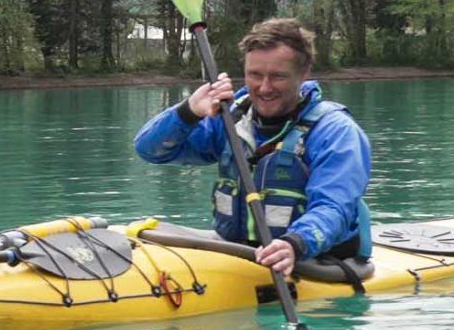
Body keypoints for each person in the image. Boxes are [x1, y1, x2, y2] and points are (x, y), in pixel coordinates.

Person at [132, 18, 371, 275]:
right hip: (237, 252)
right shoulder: (229, 117)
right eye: (255, 75)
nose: (264, 88)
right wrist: (188, 111)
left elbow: (334, 208)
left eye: (278, 77)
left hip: (313, 259)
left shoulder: (336, 132)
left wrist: (294, 244)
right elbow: (150, 150)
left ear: (304, 73)